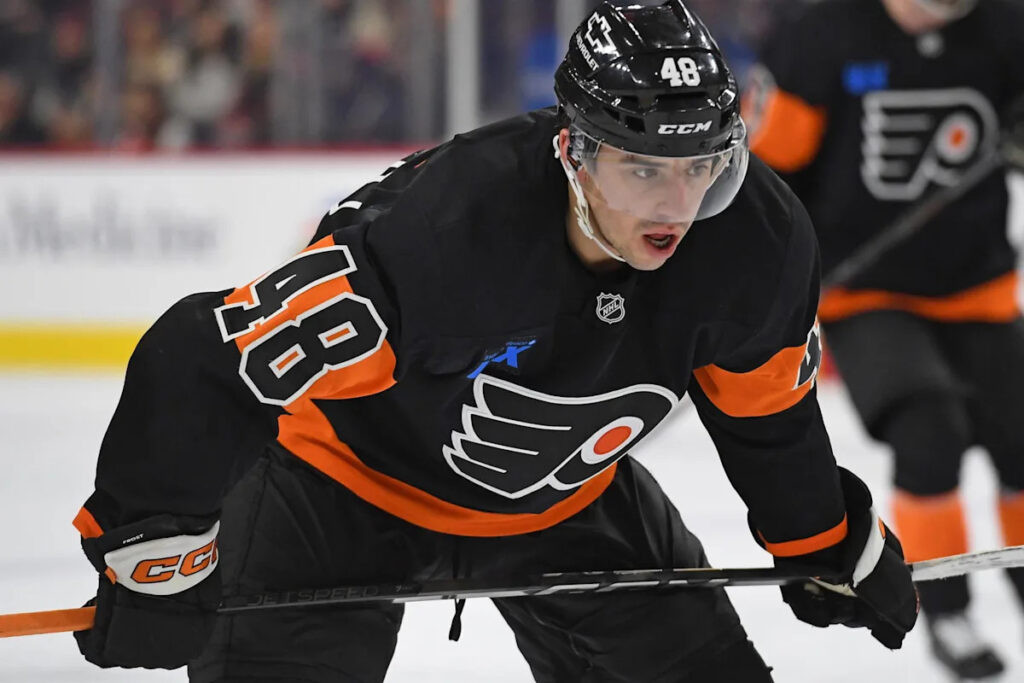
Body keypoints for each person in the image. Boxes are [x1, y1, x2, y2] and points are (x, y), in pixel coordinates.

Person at [71, 2, 917, 681]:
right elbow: (210, 355)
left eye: (702, 166)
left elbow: (769, 418)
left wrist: (819, 538)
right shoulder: (446, 233)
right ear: (574, 151)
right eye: (643, 168)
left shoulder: (753, 239)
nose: (677, 206)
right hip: (338, 487)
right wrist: (154, 548)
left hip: (565, 501)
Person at [745, 0, 1024, 678]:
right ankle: (948, 610)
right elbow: (765, 175)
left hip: (979, 285)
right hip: (865, 292)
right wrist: (774, 277)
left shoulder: (1006, 26)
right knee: (928, 433)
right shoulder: (822, 37)